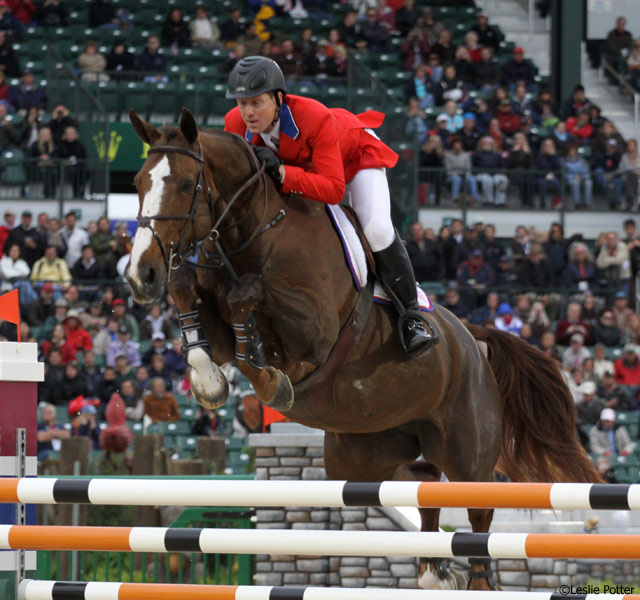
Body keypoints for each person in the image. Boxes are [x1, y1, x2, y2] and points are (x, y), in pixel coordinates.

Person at [224, 56, 436, 355]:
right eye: (242, 102)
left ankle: (411, 316)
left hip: (354, 159)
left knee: (375, 229)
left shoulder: (313, 116)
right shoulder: (234, 123)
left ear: (279, 98)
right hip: (311, 171)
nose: (247, 112)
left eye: (256, 102)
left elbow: (334, 190)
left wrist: (282, 172)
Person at [472, 136, 508, 206]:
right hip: (481, 174)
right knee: (487, 179)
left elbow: (502, 166)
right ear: (481, 144)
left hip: (495, 174)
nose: (487, 145)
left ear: (492, 145)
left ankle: (500, 202)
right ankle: (488, 201)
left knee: (502, 179)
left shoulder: (497, 155)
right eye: (485, 143)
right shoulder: (477, 154)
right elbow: (474, 166)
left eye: (489, 143)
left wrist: (496, 172)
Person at [56, 126, 88, 198]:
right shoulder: (61, 145)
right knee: (72, 172)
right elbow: (58, 157)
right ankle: (76, 194)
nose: (70, 135)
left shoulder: (80, 145)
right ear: (65, 135)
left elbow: (84, 157)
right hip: (64, 168)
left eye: (72, 133)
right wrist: (65, 162)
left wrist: (77, 162)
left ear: (75, 134)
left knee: (82, 172)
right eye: (68, 133)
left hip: (78, 168)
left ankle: (79, 193)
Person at [27, 126, 57, 197]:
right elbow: (30, 156)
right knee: (45, 171)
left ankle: (52, 193)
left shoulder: (54, 146)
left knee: (54, 172)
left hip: (51, 166)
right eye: (45, 134)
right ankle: (47, 193)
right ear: (40, 135)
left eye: (48, 134)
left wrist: (50, 159)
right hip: (38, 167)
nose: (47, 136)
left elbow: (57, 157)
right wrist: (39, 158)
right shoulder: (35, 145)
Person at [563, 144, 592, 209]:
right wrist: (574, 177)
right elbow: (564, 173)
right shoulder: (564, 161)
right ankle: (577, 203)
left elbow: (586, 171)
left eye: (574, 151)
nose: (572, 153)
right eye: (571, 151)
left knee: (588, 183)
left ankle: (586, 204)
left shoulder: (581, 160)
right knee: (575, 183)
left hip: (582, 178)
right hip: (571, 179)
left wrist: (583, 177)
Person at [618, 138, 640, 210]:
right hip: (626, 176)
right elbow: (621, 167)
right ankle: (631, 200)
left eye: (632, 145)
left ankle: (630, 199)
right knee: (630, 175)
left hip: (638, 175)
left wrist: (634, 169)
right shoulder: (624, 156)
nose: (630, 147)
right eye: (628, 145)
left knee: (633, 175)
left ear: (635, 146)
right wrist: (628, 168)